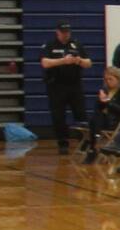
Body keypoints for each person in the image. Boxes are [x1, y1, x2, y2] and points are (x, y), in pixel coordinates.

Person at [40, 21, 94, 154]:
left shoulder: (76, 44)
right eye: (63, 32)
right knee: (58, 117)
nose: (66, 34)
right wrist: (63, 61)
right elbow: (45, 63)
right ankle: (62, 143)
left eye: (68, 32)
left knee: (81, 114)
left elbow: (89, 63)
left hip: (75, 85)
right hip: (56, 86)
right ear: (57, 32)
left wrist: (79, 60)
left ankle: (84, 142)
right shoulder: (50, 45)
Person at [85, 66, 120, 165]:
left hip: (116, 120)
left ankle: (92, 146)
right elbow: (98, 107)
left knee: (95, 120)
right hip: (103, 119)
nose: (108, 82)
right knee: (96, 116)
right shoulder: (105, 89)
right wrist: (101, 101)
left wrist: (108, 102)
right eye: (106, 79)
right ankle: (94, 143)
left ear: (118, 79)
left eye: (111, 79)